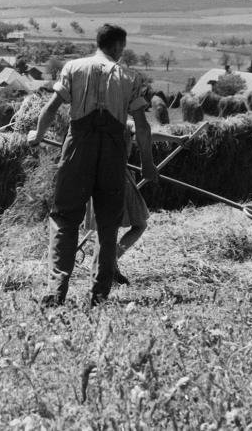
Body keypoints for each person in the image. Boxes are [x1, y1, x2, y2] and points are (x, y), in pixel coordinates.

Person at [27, 24, 186, 307]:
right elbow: (141, 127)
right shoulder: (130, 78)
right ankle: (98, 297)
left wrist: (36, 135)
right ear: (116, 47)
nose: (122, 53)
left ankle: (55, 292)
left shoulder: (73, 68)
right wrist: (149, 165)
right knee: (108, 224)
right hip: (112, 153)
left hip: (78, 149)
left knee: (64, 218)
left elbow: (51, 108)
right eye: (122, 48)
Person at [84, 120, 184, 286]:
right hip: (117, 177)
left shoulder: (94, 120)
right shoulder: (123, 121)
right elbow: (146, 134)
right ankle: (109, 264)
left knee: (107, 228)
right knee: (138, 225)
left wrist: (176, 138)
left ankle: (108, 265)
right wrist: (176, 139)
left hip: (95, 176)